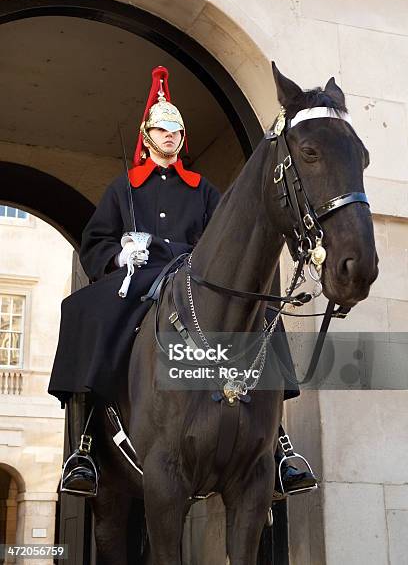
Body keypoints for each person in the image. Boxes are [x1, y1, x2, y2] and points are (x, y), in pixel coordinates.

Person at [48, 66, 316, 498]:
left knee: (263, 311)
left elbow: (226, 239)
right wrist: (120, 254)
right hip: (143, 273)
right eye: (162, 129)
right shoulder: (124, 189)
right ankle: (84, 447)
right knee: (84, 309)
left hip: (194, 276)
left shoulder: (204, 189)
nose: (171, 136)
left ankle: (280, 445)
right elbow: (94, 241)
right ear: (147, 135)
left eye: (176, 130)